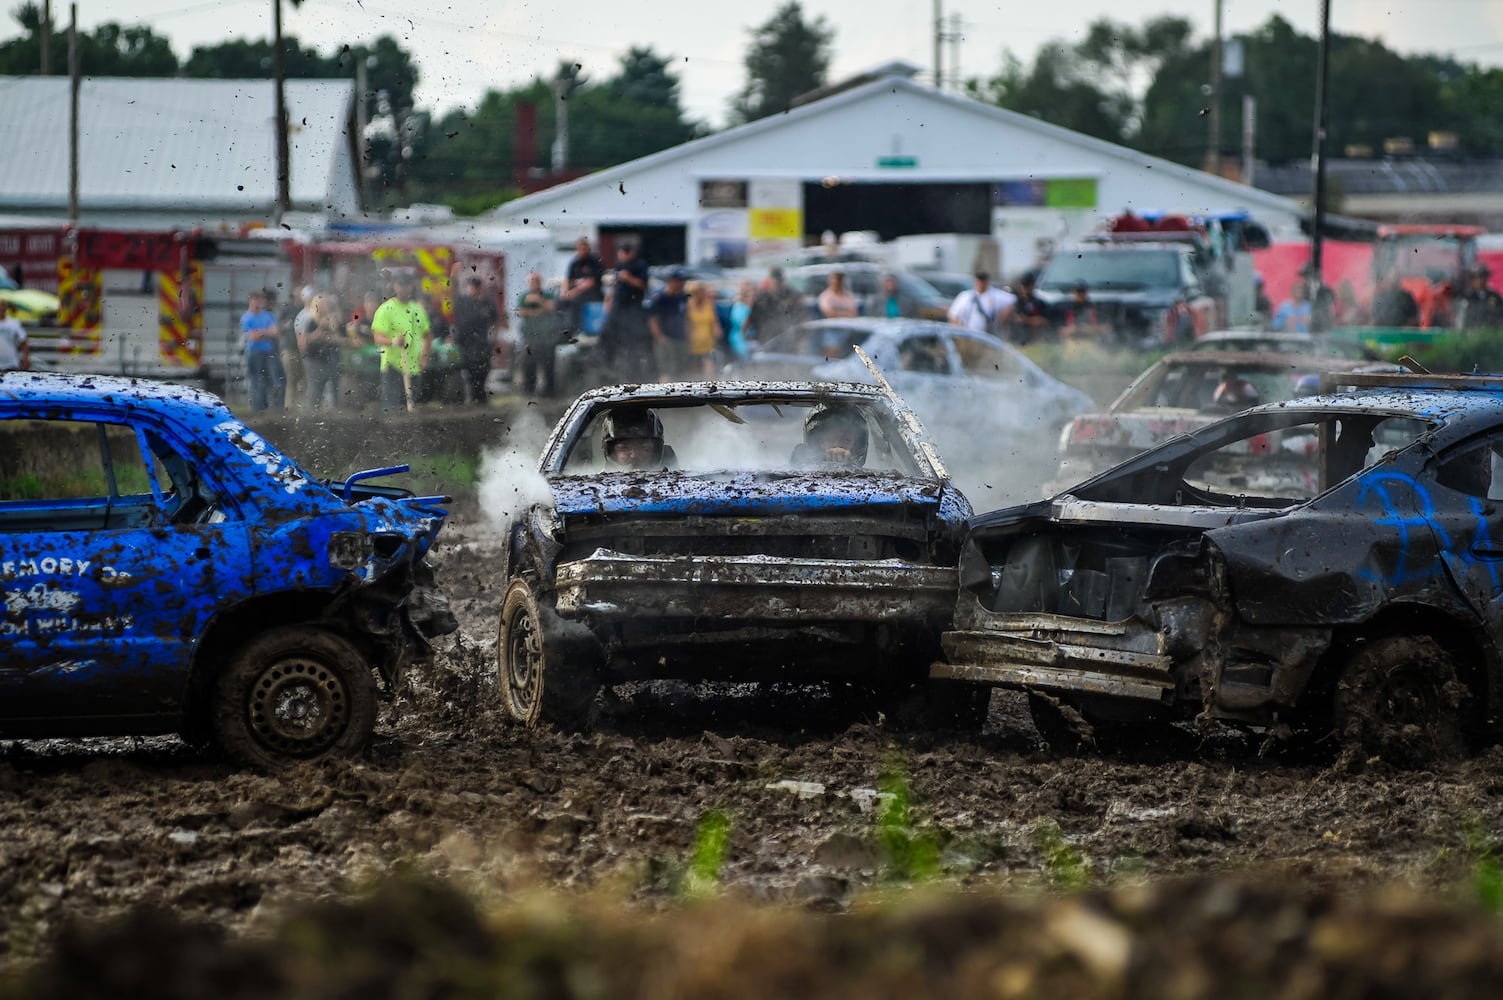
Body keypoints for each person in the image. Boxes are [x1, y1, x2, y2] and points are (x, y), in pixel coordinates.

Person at [371, 271, 431, 412]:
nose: (404, 288)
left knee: (411, 408)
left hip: (413, 367)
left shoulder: (417, 309)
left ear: (412, 287)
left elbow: (427, 336)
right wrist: (393, 341)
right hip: (393, 367)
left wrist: (424, 358)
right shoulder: (386, 309)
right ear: (395, 286)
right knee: (392, 409)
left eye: (407, 285)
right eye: (401, 285)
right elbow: (377, 336)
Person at [599, 241, 651, 380]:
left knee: (631, 343)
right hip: (618, 307)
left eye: (627, 251)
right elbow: (615, 285)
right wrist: (608, 299)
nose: (624, 255)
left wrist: (629, 278)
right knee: (606, 334)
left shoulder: (640, 265)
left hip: (632, 308)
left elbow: (643, 285)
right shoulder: (619, 265)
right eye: (622, 252)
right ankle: (606, 367)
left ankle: (633, 376)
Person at [453, 275, 499, 405]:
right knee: (468, 369)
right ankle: (472, 395)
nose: (472, 289)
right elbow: (458, 321)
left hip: (481, 341)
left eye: (475, 287)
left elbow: (494, 321)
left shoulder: (486, 303)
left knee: (482, 369)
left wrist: (493, 338)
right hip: (465, 341)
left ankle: (480, 395)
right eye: (470, 286)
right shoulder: (462, 301)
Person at [514, 270, 559, 397]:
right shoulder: (524, 296)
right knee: (528, 365)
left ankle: (549, 392)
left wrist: (538, 301)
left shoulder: (548, 295)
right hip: (529, 337)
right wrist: (537, 311)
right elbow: (519, 312)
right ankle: (529, 392)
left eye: (536, 281)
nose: (534, 283)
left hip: (547, 336)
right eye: (531, 281)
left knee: (548, 365)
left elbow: (552, 308)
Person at [299, 293, 346, 409]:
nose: (325, 306)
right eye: (322, 304)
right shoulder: (310, 321)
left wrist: (332, 334)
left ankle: (335, 412)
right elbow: (305, 340)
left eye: (326, 304)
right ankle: (312, 413)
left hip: (332, 358)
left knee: (335, 387)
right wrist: (320, 329)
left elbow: (342, 338)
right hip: (315, 359)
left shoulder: (334, 321)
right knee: (315, 388)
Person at [241, 288, 284, 412]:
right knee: (256, 381)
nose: (258, 303)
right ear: (250, 302)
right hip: (254, 352)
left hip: (268, 352)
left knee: (273, 380)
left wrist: (260, 332)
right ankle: (257, 409)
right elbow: (252, 337)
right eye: (256, 300)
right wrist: (266, 332)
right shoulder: (246, 318)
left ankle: (274, 408)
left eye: (260, 300)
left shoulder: (268, 315)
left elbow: (275, 332)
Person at [647, 268, 690, 381]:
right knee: (667, 370)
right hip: (666, 339)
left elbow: (685, 317)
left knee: (681, 369)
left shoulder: (682, 297)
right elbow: (653, 320)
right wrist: (661, 338)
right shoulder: (660, 298)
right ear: (672, 281)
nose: (683, 283)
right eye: (680, 281)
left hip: (680, 338)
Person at [795, 404, 868, 469]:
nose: (838, 445)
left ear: (856, 445)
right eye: (832, 439)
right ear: (819, 442)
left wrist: (850, 465)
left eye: (846, 440)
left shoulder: (870, 479)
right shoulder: (801, 466)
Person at [560, 237, 604, 337]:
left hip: (593, 293)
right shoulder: (575, 262)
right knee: (560, 301)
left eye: (585, 248)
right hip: (578, 291)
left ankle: (576, 329)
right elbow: (568, 279)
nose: (582, 251)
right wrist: (564, 291)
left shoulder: (595, 261)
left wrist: (573, 292)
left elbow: (591, 282)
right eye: (580, 248)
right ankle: (562, 329)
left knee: (576, 301)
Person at [748, 267, 806, 343]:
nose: (777, 284)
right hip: (766, 340)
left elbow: (802, 318)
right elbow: (751, 320)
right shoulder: (761, 298)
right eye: (774, 281)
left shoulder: (792, 295)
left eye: (779, 281)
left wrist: (801, 340)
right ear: (769, 281)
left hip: (788, 340)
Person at [948, 271, 1015, 336]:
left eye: (983, 281)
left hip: (987, 336)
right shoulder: (965, 296)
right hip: (968, 335)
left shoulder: (995, 295)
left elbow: (1013, 301)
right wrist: (959, 331)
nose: (981, 284)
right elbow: (953, 315)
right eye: (979, 281)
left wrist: (1000, 318)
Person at [601, 408, 669, 470]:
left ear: (655, 451)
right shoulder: (596, 482)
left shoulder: (669, 479)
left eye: (644, 447)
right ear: (611, 451)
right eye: (625, 447)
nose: (634, 455)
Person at [686, 280, 723, 377]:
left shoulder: (709, 305)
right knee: (694, 370)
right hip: (692, 343)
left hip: (707, 342)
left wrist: (717, 330)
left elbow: (714, 321)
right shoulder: (688, 306)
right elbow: (686, 323)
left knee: (709, 368)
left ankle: (709, 389)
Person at [1008, 270, 1054, 343]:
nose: (1025, 289)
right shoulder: (1017, 303)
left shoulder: (1040, 303)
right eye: (1024, 286)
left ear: (1032, 286)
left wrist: (1027, 320)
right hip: (1018, 339)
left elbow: (1045, 321)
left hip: (1035, 340)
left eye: (1027, 286)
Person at [1458, 265, 1503, 331]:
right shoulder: (1467, 297)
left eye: (1483, 277)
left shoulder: (1495, 297)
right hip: (1471, 334)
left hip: (1491, 334)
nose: (1481, 281)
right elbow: (1461, 319)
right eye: (1476, 278)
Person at [726, 279, 756, 359]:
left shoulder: (751, 306)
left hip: (750, 338)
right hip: (740, 338)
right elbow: (740, 323)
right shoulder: (739, 306)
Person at [0, 300, 28, 372]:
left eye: (2, 305)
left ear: (6, 308)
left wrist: (26, 360)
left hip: (11, 364)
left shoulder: (14, 323)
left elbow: (24, 342)